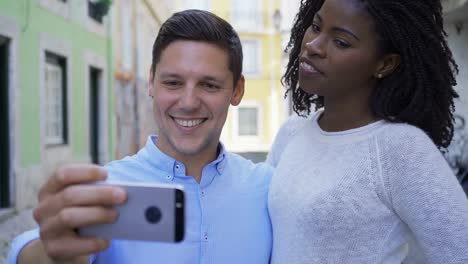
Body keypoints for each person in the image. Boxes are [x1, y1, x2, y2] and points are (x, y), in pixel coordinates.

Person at [8, 9, 273, 264]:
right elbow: (37, 251)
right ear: (151, 81)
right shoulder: (106, 190)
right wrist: (48, 252)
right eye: (173, 82)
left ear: (237, 90)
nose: (189, 102)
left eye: (209, 85)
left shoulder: (269, 190)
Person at [266, 0, 468, 263]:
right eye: (316, 27)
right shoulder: (292, 132)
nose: (313, 46)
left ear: (385, 64)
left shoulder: (401, 149)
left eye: (341, 42)